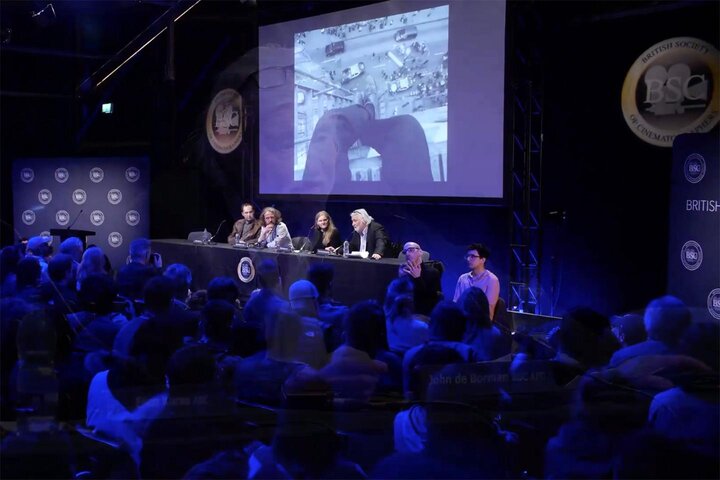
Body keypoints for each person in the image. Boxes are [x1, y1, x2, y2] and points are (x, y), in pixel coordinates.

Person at [452, 243, 500, 320]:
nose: (468, 259)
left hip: (480, 324)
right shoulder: (462, 278)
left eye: (473, 256)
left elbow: (489, 311)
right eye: (467, 256)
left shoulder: (492, 280)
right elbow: (456, 303)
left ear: (483, 260)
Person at [399, 241, 442, 316]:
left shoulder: (432, 272)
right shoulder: (404, 272)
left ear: (420, 252)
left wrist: (417, 278)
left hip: (423, 313)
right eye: (405, 252)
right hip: (405, 313)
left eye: (411, 250)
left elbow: (431, 299)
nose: (407, 254)